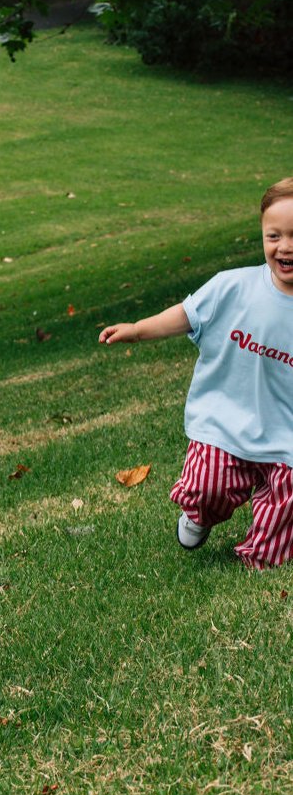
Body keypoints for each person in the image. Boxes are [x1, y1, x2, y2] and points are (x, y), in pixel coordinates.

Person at [99, 177, 293, 570]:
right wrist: (138, 329)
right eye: (274, 235)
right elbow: (188, 315)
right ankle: (199, 515)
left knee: (287, 506)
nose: (285, 246)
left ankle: (259, 557)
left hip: (286, 435)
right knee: (208, 487)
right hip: (226, 422)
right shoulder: (233, 287)